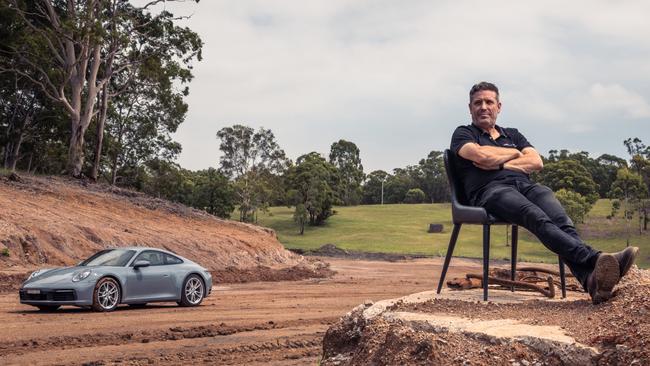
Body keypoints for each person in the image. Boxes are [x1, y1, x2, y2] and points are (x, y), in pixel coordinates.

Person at [450, 81, 639, 304]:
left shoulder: (513, 134)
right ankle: (595, 258)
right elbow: (481, 156)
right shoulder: (463, 133)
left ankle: (590, 280)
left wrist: (500, 162)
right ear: (470, 108)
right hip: (490, 191)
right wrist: (513, 155)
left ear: (498, 106)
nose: (483, 107)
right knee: (534, 216)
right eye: (478, 103)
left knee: (561, 220)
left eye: (489, 102)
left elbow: (536, 162)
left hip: (526, 186)